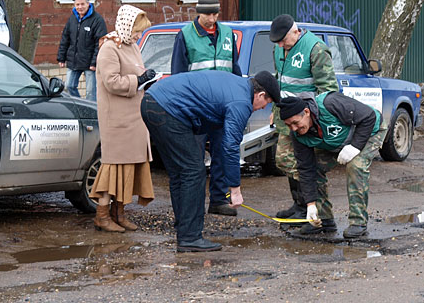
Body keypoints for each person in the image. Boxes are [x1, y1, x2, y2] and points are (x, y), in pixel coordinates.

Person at [140, 70, 281, 252]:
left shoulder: (236, 86)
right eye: (266, 103)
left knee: (180, 173)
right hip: (166, 109)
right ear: (260, 94)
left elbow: (222, 138)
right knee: (193, 172)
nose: (262, 108)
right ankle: (190, 237)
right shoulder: (241, 102)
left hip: (152, 101)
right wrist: (235, 189)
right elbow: (230, 147)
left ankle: (185, 230)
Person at [171, 0, 242, 217]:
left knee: (222, 153)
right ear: (198, 13)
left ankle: (219, 200)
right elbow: (178, 74)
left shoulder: (228, 34)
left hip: (222, 107)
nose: (212, 19)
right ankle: (192, 203)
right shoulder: (185, 35)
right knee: (194, 157)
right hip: (196, 109)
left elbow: (234, 68)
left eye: (215, 14)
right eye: (207, 14)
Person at [279, 93, 386, 239]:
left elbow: (368, 117)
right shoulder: (298, 135)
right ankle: (323, 219)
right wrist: (310, 204)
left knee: (355, 166)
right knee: (315, 167)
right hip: (338, 143)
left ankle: (358, 223)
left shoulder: (331, 104)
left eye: (295, 123)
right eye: (288, 125)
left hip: (370, 131)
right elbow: (306, 168)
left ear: (306, 112)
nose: (293, 128)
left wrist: (355, 146)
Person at [88, 5, 156, 233]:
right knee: (114, 166)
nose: (138, 36)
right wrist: (138, 81)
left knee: (129, 167)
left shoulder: (131, 46)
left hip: (134, 117)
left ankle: (119, 213)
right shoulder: (109, 48)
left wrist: (147, 80)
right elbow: (111, 81)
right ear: (127, 26)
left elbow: (135, 75)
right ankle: (102, 215)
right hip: (116, 118)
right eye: (137, 31)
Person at [269, 14, 338, 222]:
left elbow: (328, 90)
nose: (281, 45)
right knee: (284, 159)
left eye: (283, 40)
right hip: (286, 116)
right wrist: (275, 108)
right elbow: (279, 81)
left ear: (296, 32)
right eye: (277, 41)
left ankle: (318, 211)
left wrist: (315, 119)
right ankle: (300, 204)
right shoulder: (279, 48)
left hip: (306, 119)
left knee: (304, 164)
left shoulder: (316, 49)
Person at [57, 0, 108, 101]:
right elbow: (65, 38)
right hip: (74, 61)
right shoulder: (72, 19)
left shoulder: (97, 20)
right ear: (74, 6)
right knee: (69, 86)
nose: (80, 7)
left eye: (82, 4)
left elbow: (100, 42)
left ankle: (91, 113)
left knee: (91, 92)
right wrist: (61, 58)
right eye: (77, 4)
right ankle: (79, 106)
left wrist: (94, 62)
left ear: (88, 4)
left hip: (90, 63)